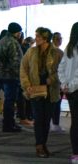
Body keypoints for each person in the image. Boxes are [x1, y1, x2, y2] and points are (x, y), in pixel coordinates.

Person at [20, 27, 62, 158]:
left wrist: (52, 79)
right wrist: (27, 86)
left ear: (45, 39)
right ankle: (39, 146)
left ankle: (43, 144)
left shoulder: (58, 53)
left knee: (46, 120)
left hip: (51, 91)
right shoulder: (31, 52)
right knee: (38, 120)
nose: (35, 38)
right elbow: (23, 68)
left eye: (38, 36)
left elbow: (62, 71)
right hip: (35, 91)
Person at [0, 22, 23, 132]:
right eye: (19, 32)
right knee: (10, 101)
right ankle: (8, 124)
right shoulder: (12, 42)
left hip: (1, 75)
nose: (20, 34)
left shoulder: (1, 41)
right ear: (16, 32)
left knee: (8, 100)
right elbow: (15, 62)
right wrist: (19, 76)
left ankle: (8, 123)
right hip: (10, 76)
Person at [58, 22, 78, 164]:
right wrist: (68, 85)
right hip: (74, 89)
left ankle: (75, 154)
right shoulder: (70, 48)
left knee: (75, 122)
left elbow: (61, 68)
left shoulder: (69, 48)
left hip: (71, 91)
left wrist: (65, 84)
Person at [50, 32, 65, 132]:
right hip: (56, 81)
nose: (60, 40)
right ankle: (55, 124)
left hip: (51, 80)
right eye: (58, 38)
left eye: (61, 38)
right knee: (56, 103)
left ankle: (53, 123)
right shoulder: (59, 52)